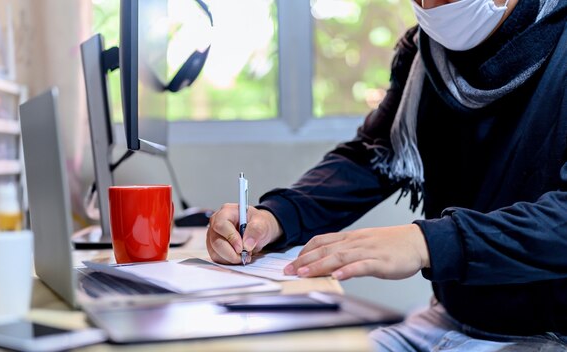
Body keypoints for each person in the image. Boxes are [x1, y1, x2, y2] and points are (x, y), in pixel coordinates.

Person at [206, 0, 567, 350]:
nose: (433, 6)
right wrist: (276, 216)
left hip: (550, 334)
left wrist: (426, 243)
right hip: (447, 318)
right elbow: (370, 158)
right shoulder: (424, 54)